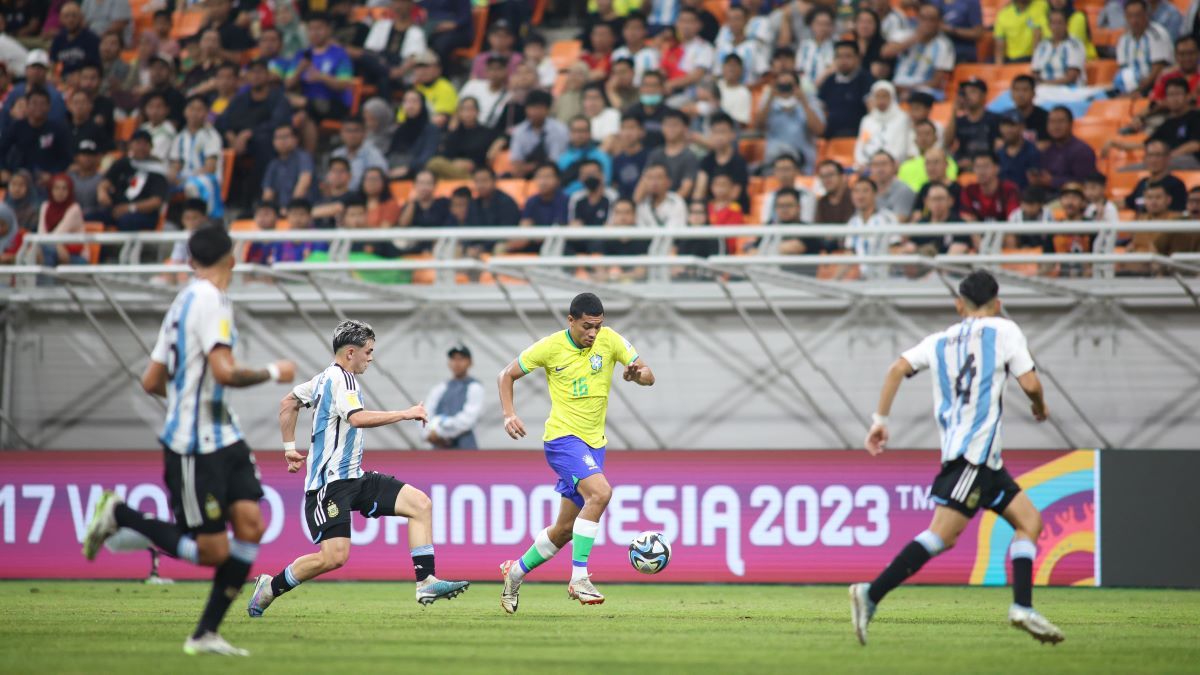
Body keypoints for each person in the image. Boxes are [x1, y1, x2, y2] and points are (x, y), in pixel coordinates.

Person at [82, 225, 297, 656]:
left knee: (251, 526)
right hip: (194, 445)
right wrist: (274, 372)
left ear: (191, 260)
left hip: (224, 435)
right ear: (231, 258)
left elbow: (151, 379)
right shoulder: (211, 301)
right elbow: (224, 370)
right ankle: (121, 514)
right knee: (214, 551)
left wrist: (185, 399)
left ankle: (206, 634)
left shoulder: (180, 304)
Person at [852, 269, 1064, 647]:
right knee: (941, 536)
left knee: (1030, 522)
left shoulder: (939, 340)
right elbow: (1030, 382)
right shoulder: (1004, 330)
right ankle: (871, 593)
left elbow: (896, 368)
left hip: (985, 461)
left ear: (958, 305)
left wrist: (879, 422)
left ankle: (1023, 607)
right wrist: (1040, 405)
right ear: (997, 304)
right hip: (972, 456)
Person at [247, 319, 469, 618]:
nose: (371, 357)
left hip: (355, 477)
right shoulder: (343, 380)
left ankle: (426, 581)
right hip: (330, 485)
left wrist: (289, 449)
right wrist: (405, 413)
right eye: (368, 351)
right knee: (334, 557)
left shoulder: (323, 378)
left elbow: (289, 402)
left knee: (420, 504)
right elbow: (357, 418)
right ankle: (270, 586)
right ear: (350, 352)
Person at [498, 293, 655, 613]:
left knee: (565, 530)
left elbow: (648, 374)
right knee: (601, 493)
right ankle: (579, 578)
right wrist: (509, 414)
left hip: (594, 445)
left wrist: (638, 375)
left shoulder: (610, 340)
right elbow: (506, 375)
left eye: (598, 326)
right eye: (587, 326)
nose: (593, 333)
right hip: (562, 439)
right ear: (571, 321)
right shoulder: (550, 346)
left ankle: (514, 573)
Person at [97, 130, 167, 232]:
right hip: (116, 209)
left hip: (143, 214)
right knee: (91, 216)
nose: (141, 147)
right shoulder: (122, 163)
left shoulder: (157, 170)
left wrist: (129, 208)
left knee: (126, 221)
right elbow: (106, 182)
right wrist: (102, 192)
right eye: (138, 143)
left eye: (145, 144)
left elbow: (156, 201)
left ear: (151, 147)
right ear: (130, 145)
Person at [884, 3, 955, 101]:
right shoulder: (904, 34)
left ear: (939, 22)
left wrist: (910, 89)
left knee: (915, 97)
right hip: (897, 85)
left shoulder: (944, 45)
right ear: (917, 18)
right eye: (923, 18)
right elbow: (886, 53)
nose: (927, 23)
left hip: (924, 89)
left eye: (931, 19)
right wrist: (915, 38)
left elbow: (937, 81)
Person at [0, 87, 72, 181]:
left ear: (49, 106)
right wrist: (3, 169)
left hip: (48, 178)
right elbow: (2, 150)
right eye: (34, 103)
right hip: (19, 176)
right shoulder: (17, 127)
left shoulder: (58, 129)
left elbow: (66, 158)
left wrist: (52, 174)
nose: (38, 107)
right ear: (27, 105)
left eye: (42, 103)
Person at [757, 70, 825, 170]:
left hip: (803, 165)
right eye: (781, 85)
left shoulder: (810, 102)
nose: (785, 89)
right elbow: (758, 126)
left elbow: (819, 130)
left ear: (797, 86)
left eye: (789, 85)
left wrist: (804, 102)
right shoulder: (770, 104)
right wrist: (770, 98)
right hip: (774, 164)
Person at [423, 344, 486, 449]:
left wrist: (439, 432)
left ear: (470, 362)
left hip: (464, 448)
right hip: (439, 448)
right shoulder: (440, 388)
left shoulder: (475, 387)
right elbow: (426, 413)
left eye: (461, 359)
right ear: (449, 363)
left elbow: (468, 420)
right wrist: (428, 433)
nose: (457, 363)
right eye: (453, 359)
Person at [1115, 0, 1175, 96]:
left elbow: (1159, 68)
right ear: (1125, 17)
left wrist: (1140, 90)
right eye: (1130, 16)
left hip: (1155, 85)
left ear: (1146, 15)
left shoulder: (1157, 34)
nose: (1134, 20)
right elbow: (1123, 68)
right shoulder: (1123, 39)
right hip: (1132, 85)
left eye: (1138, 15)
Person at [819, 40, 876, 140]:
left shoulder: (866, 79)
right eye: (839, 57)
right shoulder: (829, 81)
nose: (843, 61)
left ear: (858, 58)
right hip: (831, 139)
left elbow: (873, 112)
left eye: (848, 56)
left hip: (858, 138)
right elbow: (821, 110)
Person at [1033, 106, 1097, 190]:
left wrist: (1053, 181)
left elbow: (1084, 182)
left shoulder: (1082, 150)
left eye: (1061, 121)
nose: (1056, 126)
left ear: (1071, 124)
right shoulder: (1047, 149)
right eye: (1051, 122)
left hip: (1073, 198)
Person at [168, 95, 223, 189]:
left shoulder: (211, 136)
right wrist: (171, 175)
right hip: (183, 179)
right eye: (191, 108)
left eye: (199, 110)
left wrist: (187, 179)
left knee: (192, 185)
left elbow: (210, 168)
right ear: (185, 111)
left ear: (206, 113)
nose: (194, 113)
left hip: (205, 180)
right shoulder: (179, 137)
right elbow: (175, 164)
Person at [855, 81, 911, 170]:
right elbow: (861, 144)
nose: (881, 100)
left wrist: (887, 163)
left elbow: (902, 146)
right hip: (868, 165)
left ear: (892, 97)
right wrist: (863, 162)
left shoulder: (902, 118)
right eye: (877, 96)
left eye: (885, 96)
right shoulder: (867, 120)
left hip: (893, 165)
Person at [948, 78, 1002, 171]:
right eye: (966, 93)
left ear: (983, 95)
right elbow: (947, 141)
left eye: (973, 92)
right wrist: (954, 112)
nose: (968, 96)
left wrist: (975, 162)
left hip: (987, 166)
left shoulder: (994, 119)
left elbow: (999, 147)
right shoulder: (960, 121)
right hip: (962, 166)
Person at [644, 108, 699, 198]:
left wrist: (670, 205)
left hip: (677, 205)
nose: (671, 129)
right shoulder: (655, 154)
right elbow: (644, 181)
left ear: (685, 128)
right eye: (667, 125)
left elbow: (686, 187)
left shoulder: (689, 156)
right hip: (654, 202)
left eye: (675, 125)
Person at [1124, 139, 1190, 213]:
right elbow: (1128, 203)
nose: (1153, 160)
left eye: (1158, 155)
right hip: (1143, 222)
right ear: (1145, 159)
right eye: (1150, 155)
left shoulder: (1176, 185)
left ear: (1168, 158)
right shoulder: (1142, 183)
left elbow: (1179, 212)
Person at [388, 90, 442, 180]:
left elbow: (428, 155)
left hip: (419, 172)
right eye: (406, 101)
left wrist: (408, 168)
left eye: (414, 101)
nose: (410, 105)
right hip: (396, 169)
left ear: (422, 104)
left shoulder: (431, 129)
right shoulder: (400, 130)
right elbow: (391, 153)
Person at [844, 178, 898, 266]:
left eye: (865, 191)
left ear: (875, 194)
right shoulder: (852, 222)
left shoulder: (887, 218)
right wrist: (835, 279)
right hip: (860, 277)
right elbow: (849, 253)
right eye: (856, 191)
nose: (860, 196)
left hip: (885, 276)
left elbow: (895, 248)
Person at [262, 124, 314, 209]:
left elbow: (304, 183)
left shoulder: (303, 157)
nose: (282, 141)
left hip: (303, 209)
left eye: (285, 136)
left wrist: (290, 209)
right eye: (278, 137)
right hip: (282, 210)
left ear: (296, 139)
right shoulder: (273, 164)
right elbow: (268, 194)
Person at [37, 173, 84, 266]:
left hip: (74, 255)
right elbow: (41, 233)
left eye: (64, 188)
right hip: (52, 250)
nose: (60, 192)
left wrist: (56, 245)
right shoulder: (45, 206)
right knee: (44, 251)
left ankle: (45, 280)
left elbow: (58, 235)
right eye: (56, 188)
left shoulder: (74, 208)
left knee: (46, 251)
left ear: (70, 190)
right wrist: (57, 246)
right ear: (51, 190)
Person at [899, 121, 960, 192]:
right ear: (914, 140)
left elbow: (947, 185)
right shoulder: (905, 166)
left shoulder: (948, 162)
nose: (923, 138)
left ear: (936, 138)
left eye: (927, 134)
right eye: (919, 134)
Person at [558, 116, 613, 195]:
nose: (579, 135)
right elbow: (560, 185)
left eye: (583, 131)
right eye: (575, 131)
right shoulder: (563, 159)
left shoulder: (602, 157)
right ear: (569, 133)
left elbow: (606, 182)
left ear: (590, 133)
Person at [961, 151, 1021, 222]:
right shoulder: (969, 190)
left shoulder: (1009, 190)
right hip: (979, 233)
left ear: (997, 168)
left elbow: (1013, 220)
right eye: (978, 167)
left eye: (986, 166)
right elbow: (967, 219)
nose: (981, 171)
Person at [715, 5, 768, 85]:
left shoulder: (754, 46)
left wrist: (750, 89)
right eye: (730, 19)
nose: (733, 23)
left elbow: (765, 74)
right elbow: (716, 74)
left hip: (749, 92)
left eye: (737, 19)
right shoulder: (722, 47)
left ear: (746, 20)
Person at [332, 115, 388, 190]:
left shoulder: (373, 154)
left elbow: (380, 180)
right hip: (340, 196)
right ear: (341, 133)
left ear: (365, 133)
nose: (352, 135)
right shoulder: (337, 154)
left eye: (356, 131)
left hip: (362, 198)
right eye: (348, 131)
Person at [1032, 9, 1087, 86]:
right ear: (1049, 26)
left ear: (1067, 24)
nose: (1056, 26)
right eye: (1053, 23)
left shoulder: (1075, 44)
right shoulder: (1042, 45)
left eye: (1060, 23)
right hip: (1043, 88)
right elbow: (1035, 72)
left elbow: (1072, 77)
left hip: (1068, 88)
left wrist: (1047, 84)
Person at [458, 55, 512, 130]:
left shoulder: (509, 95)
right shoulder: (473, 84)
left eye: (499, 69)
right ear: (486, 71)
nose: (495, 73)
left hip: (488, 132)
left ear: (506, 71)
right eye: (491, 69)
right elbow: (457, 108)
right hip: (464, 128)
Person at [49, 1, 99, 78]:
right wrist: (53, 77)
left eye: (74, 16)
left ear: (81, 17)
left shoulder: (92, 39)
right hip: (61, 80)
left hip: (84, 80)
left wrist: (79, 76)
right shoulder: (58, 39)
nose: (70, 20)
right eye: (66, 16)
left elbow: (94, 67)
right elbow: (52, 63)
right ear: (61, 19)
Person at [763, 153, 817, 224]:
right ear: (774, 172)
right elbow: (766, 223)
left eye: (787, 169)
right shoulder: (770, 196)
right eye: (780, 170)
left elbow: (807, 223)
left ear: (797, 171)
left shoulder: (807, 195)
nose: (784, 174)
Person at [912, 147, 963, 220]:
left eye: (936, 162)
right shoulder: (924, 188)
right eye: (927, 163)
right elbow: (917, 215)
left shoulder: (957, 189)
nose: (931, 168)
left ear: (946, 164)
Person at [993, 0, 1050, 64]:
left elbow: (1037, 34)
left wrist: (1036, 63)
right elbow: (999, 46)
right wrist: (999, 70)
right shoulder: (1003, 15)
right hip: (1013, 60)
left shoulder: (1042, 4)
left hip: (1039, 55)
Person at [611, 12, 661, 85]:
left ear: (645, 31)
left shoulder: (652, 54)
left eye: (636, 28)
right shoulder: (617, 53)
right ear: (623, 31)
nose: (632, 32)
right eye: (629, 28)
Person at [997, 111, 1041, 188]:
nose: (1007, 130)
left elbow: (1035, 184)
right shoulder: (998, 153)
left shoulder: (1033, 152)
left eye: (1012, 125)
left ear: (1022, 127)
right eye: (1004, 125)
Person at [636, 163, 688, 227]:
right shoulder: (642, 204)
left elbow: (673, 232)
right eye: (650, 178)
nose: (654, 182)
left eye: (659, 177)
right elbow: (641, 231)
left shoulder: (676, 201)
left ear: (668, 182)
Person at [796, 7, 837, 87]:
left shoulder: (836, 45)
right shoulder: (805, 45)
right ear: (811, 25)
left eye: (827, 24)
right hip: (805, 88)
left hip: (828, 88)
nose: (823, 28)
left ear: (832, 26)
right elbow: (799, 69)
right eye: (819, 24)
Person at [870, 151, 916, 222]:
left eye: (884, 164)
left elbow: (899, 221)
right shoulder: (868, 190)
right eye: (875, 165)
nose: (879, 169)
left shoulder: (904, 190)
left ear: (894, 166)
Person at [611, 114, 649, 199]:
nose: (627, 133)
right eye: (624, 128)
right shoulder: (616, 159)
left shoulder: (650, 157)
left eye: (632, 128)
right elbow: (615, 185)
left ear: (642, 132)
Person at [1007, 75, 1050, 143]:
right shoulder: (1005, 117)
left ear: (1033, 93)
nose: (1020, 94)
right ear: (1011, 94)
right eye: (1016, 90)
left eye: (1025, 90)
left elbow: (1045, 144)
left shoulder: (1045, 117)